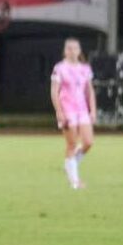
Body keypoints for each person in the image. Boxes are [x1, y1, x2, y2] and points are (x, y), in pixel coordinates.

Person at [50, 38, 96, 189]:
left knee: (88, 142)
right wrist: (59, 111)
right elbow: (54, 91)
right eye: (69, 48)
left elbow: (89, 90)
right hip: (67, 109)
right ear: (65, 51)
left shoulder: (85, 68)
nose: (73, 51)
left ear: (79, 50)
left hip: (82, 109)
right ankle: (75, 182)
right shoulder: (59, 68)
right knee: (71, 144)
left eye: (75, 48)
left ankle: (70, 164)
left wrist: (93, 110)